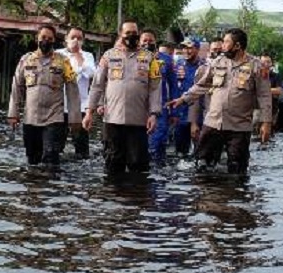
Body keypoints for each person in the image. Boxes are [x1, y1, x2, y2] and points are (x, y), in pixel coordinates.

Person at [169, 28, 272, 175]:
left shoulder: (257, 66)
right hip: (213, 123)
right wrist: (183, 99)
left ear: (237, 46)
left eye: (226, 42)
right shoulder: (218, 62)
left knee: (237, 169)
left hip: (239, 127)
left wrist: (266, 122)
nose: (223, 45)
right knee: (202, 164)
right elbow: (202, 85)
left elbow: (265, 96)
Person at [83, 20, 162, 174]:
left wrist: (153, 114)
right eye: (128, 33)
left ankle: (136, 189)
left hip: (139, 120)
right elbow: (97, 85)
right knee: (113, 162)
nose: (132, 36)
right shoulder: (108, 56)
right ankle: (113, 190)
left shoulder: (150, 58)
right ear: (120, 34)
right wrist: (89, 112)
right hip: (113, 119)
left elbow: (155, 88)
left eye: (135, 33)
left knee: (138, 165)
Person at [8, 25, 80, 167]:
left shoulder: (64, 61)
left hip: (54, 117)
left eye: (50, 38)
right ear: (37, 38)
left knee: (51, 156)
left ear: (54, 40)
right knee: (32, 159)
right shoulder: (26, 60)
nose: (46, 41)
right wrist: (13, 113)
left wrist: (75, 119)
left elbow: (73, 90)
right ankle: (34, 181)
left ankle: (50, 180)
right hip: (31, 118)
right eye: (43, 37)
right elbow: (16, 87)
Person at [56, 26, 96, 159]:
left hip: (80, 107)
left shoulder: (87, 56)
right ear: (66, 39)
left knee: (82, 147)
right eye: (72, 37)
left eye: (79, 38)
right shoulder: (57, 54)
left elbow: (91, 74)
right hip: (59, 106)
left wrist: (78, 54)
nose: (76, 40)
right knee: (57, 145)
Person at [141, 29, 178, 165]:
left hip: (160, 108)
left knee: (157, 142)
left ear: (156, 41)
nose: (147, 43)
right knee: (140, 143)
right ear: (139, 41)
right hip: (139, 107)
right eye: (144, 40)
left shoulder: (166, 60)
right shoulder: (134, 58)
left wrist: (174, 112)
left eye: (150, 40)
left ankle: (159, 171)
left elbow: (173, 86)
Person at [172, 38, 207, 157]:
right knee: (180, 153)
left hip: (199, 114)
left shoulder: (205, 66)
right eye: (184, 48)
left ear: (197, 49)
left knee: (200, 152)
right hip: (181, 113)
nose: (186, 51)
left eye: (190, 48)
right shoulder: (178, 64)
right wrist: (173, 113)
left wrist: (195, 120)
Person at [259, 54, 283, 131]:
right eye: (263, 62)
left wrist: (263, 90)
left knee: (269, 131)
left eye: (268, 62)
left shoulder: (276, 76)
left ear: (271, 63)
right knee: (255, 131)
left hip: (272, 108)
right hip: (258, 108)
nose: (265, 64)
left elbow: (279, 90)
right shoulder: (256, 76)